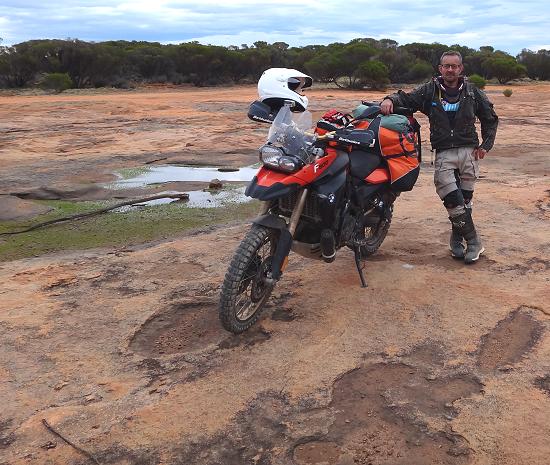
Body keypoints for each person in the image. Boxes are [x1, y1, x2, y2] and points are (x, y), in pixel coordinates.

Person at [380, 50, 498, 264]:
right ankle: (474, 242)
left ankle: (456, 237)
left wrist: (486, 145)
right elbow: (406, 98)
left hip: (468, 152)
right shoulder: (430, 90)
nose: (450, 70)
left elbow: (490, 118)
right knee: (452, 200)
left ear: (461, 68)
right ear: (440, 68)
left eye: (454, 66)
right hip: (443, 153)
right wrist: (389, 99)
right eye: (446, 66)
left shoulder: (472, 91)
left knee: (465, 200)